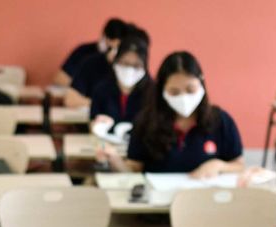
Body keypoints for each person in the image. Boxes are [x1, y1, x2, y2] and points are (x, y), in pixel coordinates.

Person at [101, 51, 243, 176]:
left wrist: (218, 165)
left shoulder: (221, 120)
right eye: (174, 92)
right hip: (158, 204)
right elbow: (134, 169)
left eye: (190, 89)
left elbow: (239, 165)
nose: (184, 98)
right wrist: (114, 160)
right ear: (162, 91)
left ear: (201, 83)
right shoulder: (146, 122)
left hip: (206, 201)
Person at [89, 33, 150, 128]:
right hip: (106, 141)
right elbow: (92, 121)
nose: (129, 70)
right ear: (116, 61)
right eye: (125, 63)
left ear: (144, 67)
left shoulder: (153, 93)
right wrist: (97, 125)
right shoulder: (101, 89)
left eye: (136, 65)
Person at [55, 18, 126, 88]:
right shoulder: (83, 51)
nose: (111, 53)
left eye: (114, 48)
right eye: (109, 47)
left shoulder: (120, 62)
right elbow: (60, 79)